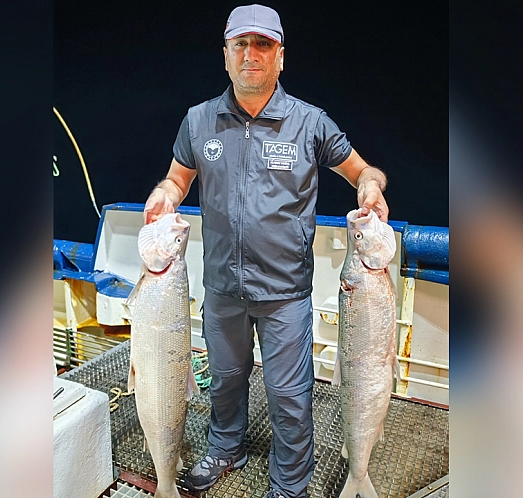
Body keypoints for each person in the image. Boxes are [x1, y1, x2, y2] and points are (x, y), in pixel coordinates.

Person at [142, 5, 389, 498]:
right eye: (240, 45)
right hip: (222, 290)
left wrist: (369, 189)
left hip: (285, 293)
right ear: (226, 56)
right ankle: (225, 447)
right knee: (225, 379)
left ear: (280, 56)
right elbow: (177, 178)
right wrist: (165, 195)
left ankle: (291, 482)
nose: (250, 55)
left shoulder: (310, 123)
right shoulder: (198, 122)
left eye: (262, 45)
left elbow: (365, 172)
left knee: (289, 396)